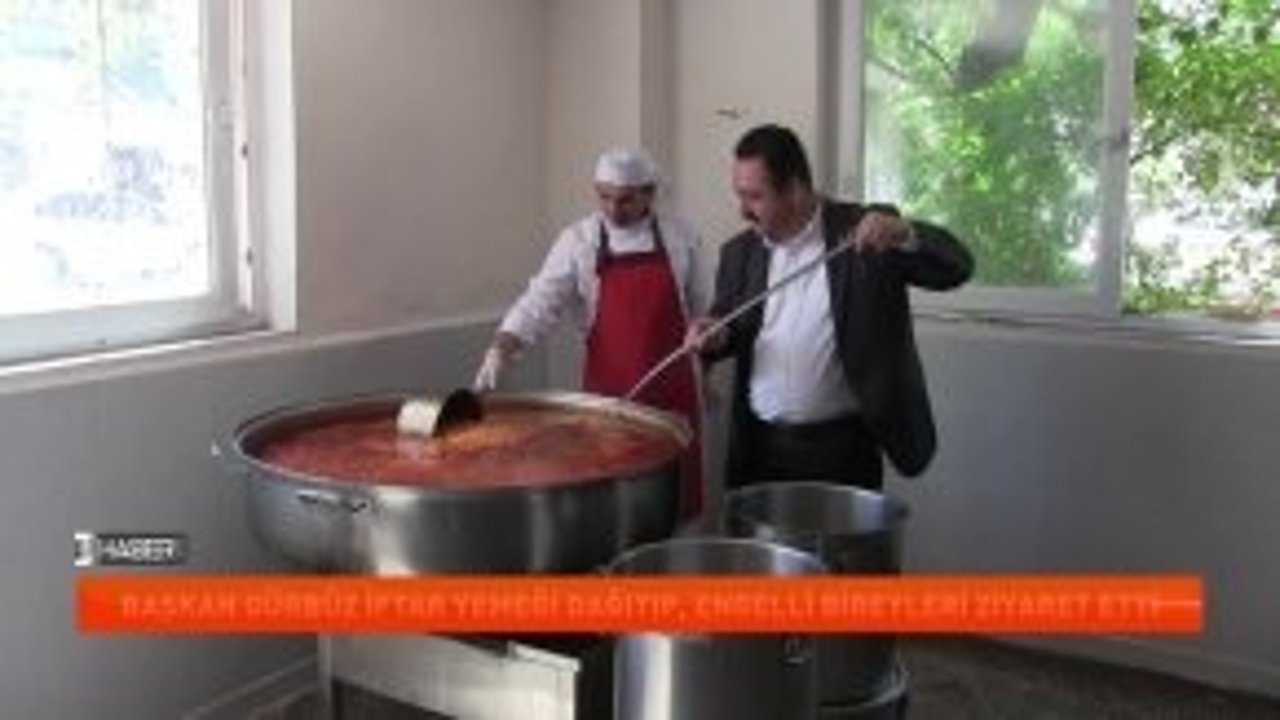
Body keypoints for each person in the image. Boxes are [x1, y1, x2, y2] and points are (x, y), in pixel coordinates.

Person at [688, 124, 973, 491]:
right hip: (760, 449)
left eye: (754, 196)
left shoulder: (865, 231)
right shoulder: (739, 252)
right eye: (739, 195)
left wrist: (904, 232)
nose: (743, 210)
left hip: (842, 451)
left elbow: (957, 268)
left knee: (842, 533)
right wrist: (714, 336)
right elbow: (730, 327)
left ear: (794, 188)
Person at [474, 147, 709, 515]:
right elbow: (540, 301)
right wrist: (501, 347)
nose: (613, 209)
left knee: (672, 502)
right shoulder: (579, 240)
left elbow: (702, 311)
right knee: (611, 502)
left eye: (626, 199)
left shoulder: (682, 235)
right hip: (608, 397)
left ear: (649, 193)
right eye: (604, 197)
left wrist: (705, 370)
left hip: (672, 394)